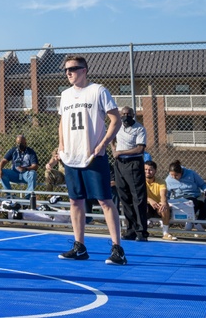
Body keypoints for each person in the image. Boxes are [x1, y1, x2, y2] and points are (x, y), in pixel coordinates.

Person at [56, 55, 127, 265]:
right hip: (71, 156)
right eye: (66, 70)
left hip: (93, 155)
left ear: (84, 70)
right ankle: (80, 246)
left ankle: (117, 249)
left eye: (73, 69)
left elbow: (116, 120)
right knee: (75, 201)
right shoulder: (65, 95)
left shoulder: (98, 91)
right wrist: (61, 145)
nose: (68, 73)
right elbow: (62, 122)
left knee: (105, 200)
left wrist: (103, 143)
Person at [112, 106, 149, 242]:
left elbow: (140, 148)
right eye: (123, 114)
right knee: (124, 197)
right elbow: (111, 137)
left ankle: (141, 231)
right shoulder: (118, 126)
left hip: (133, 164)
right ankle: (130, 230)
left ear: (133, 115)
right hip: (119, 164)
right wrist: (114, 149)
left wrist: (121, 152)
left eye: (128, 114)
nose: (125, 116)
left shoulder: (139, 129)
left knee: (137, 198)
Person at [165, 160, 206, 226]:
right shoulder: (168, 180)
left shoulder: (191, 173)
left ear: (181, 172)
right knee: (192, 201)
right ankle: (189, 221)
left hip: (196, 197)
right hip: (181, 199)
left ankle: (198, 222)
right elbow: (166, 193)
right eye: (172, 175)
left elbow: (202, 184)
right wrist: (165, 201)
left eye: (176, 175)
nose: (174, 177)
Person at [144, 160, 177, 241]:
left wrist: (163, 203)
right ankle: (142, 231)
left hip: (158, 207)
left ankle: (165, 233)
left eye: (150, 169)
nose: (148, 171)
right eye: (145, 169)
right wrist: (150, 200)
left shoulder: (161, 182)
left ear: (155, 171)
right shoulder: (139, 181)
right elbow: (139, 195)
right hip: (146, 206)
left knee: (165, 206)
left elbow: (163, 194)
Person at [0, 134, 39, 200]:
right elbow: (3, 161)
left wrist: (25, 168)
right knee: (2, 172)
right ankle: (10, 194)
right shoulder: (13, 151)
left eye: (21, 143)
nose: (20, 145)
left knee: (33, 173)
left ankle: (27, 197)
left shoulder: (31, 152)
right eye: (18, 143)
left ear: (25, 143)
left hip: (25, 174)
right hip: (15, 174)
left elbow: (35, 166)